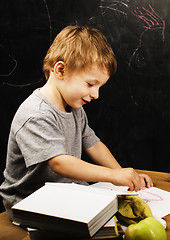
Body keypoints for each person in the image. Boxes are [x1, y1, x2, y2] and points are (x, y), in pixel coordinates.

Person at [0, 25, 153, 221]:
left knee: (119, 218)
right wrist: (112, 176)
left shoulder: (75, 109)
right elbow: (59, 162)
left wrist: (122, 174)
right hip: (29, 202)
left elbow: (94, 145)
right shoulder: (35, 114)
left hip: (65, 193)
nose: (96, 94)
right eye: (90, 84)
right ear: (61, 70)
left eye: (99, 87)